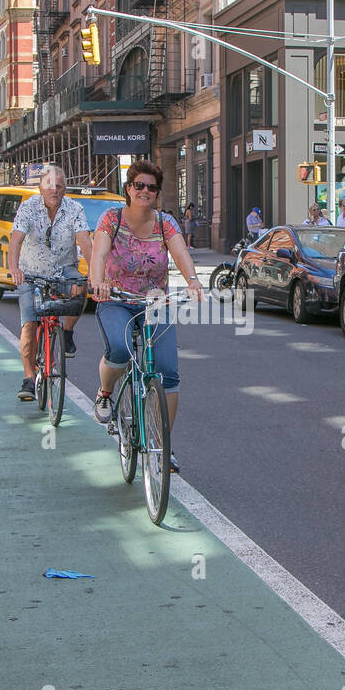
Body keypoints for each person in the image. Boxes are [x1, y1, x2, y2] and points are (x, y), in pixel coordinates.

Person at [89, 158, 204, 473]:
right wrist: (98, 282)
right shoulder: (111, 218)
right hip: (117, 299)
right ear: (128, 189)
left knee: (168, 373)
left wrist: (192, 280)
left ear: (157, 193)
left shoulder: (166, 223)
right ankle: (105, 392)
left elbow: (180, 253)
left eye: (151, 187)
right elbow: (98, 253)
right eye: (138, 185)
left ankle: (163, 446)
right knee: (120, 349)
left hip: (155, 302)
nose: (145, 191)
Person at [7, 164, 94, 401]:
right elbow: (15, 240)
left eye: (59, 185)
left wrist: (96, 271)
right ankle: (28, 377)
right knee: (30, 324)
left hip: (64, 268)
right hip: (31, 272)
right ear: (40, 188)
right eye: (49, 185)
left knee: (80, 288)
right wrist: (14, 268)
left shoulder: (75, 208)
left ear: (65, 188)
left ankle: (66, 332)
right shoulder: (28, 207)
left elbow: (84, 241)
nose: (54, 189)